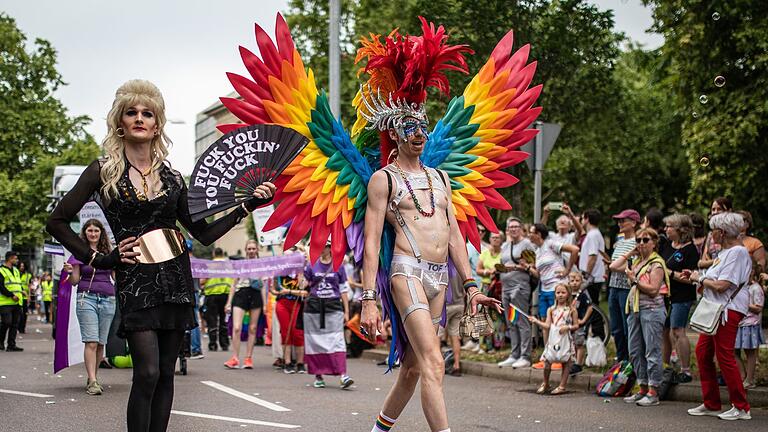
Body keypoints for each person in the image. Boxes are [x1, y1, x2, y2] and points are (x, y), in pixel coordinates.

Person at [46, 79, 275, 432]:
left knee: (166, 374)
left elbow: (203, 233)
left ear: (157, 125)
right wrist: (100, 260)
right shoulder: (103, 171)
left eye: (147, 113)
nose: (139, 118)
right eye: (131, 113)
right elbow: (57, 221)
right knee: (147, 372)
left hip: (176, 279)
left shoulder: (172, 177)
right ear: (120, 123)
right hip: (137, 282)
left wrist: (247, 205)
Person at [359, 88, 501, 432]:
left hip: (439, 278)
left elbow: (454, 234)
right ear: (394, 132)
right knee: (434, 362)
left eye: (423, 127)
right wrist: (368, 300)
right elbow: (372, 241)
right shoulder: (384, 180)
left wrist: (471, 286)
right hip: (406, 273)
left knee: (414, 367)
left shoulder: (440, 177)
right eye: (411, 128)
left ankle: (378, 430)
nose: (419, 134)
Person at [684, 212, 752, 420]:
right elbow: (713, 282)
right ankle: (711, 402)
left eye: (713, 230)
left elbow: (723, 286)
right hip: (718, 310)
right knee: (703, 353)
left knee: (724, 356)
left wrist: (700, 279)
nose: (710, 235)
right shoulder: (725, 253)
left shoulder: (737, 253)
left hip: (727, 310)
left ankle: (741, 407)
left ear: (721, 233)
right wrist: (695, 278)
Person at [611, 228, 669, 407]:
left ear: (654, 243)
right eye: (638, 240)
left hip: (651, 310)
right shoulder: (636, 261)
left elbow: (653, 289)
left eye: (645, 240)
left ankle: (653, 390)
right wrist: (631, 251)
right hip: (635, 310)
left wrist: (635, 280)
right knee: (635, 351)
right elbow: (614, 266)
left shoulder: (656, 264)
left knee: (652, 351)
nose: (641, 243)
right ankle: (642, 387)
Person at [64, 219, 117, 395]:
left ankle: (93, 376)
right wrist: (70, 272)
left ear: (101, 233)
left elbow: (116, 277)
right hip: (86, 298)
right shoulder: (79, 252)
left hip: (108, 299)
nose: (93, 234)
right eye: (89, 231)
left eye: (96, 230)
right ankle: (92, 381)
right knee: (91, 341)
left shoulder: (109, 252)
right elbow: (75, 282)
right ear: (84, 233)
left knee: (101, 342)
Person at [303, 242, 354, 389]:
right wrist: (301, 271)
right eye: (322, 245)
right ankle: (318, 375)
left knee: (337, 340)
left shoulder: (339, 266)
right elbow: (303, 285)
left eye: (326, 245)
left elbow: (344, 289)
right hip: (314, 307)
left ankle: (343, 375)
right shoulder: (311, 265)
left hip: (333, 306)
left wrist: (346, 311)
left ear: (331, 248)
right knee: (315, 342)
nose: (323, 248)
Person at [660, 214, 699, 383]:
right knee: (664, 331)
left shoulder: (690, 250)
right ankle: (665, 366)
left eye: (669, 226)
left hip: (682, 295)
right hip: (666, 294)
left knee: (678, 330)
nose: (666, 229)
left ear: (680, 229)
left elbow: (689, 277)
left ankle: (686, 370)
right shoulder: (668, 245)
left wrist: (668, 273)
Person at [496, 217, 536, 368]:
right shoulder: (506, 245)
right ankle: (515, 354)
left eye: (516, 226)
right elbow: (503, 263)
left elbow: (532, 266)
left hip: (520, 287)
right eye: (510, 227)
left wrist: (516, 267)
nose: (513, 229)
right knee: (510, 322)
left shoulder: (526, 244)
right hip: (506, 286)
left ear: (520, 228)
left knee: (521, 321)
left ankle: (525, 356)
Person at [529, 283, 578, 395]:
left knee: (566, 362)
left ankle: (562, 386)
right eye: (558, 292)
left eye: (563, 292)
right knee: (547, 361)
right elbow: (547, 326)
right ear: (555, 295)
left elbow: (576, 325)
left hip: (565, 338)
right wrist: (536, 321)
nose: (560, 295)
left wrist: (568, 327)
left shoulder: (571, 310)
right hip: (553, 338)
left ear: (568, 294)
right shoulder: (551, 309)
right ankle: (545, 383)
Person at [224, 240, 266, 369]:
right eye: (249, 249)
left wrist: (265, 304)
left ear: (257, 250)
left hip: (255, 294)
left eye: (254, 249)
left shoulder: (262, 265)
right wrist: (229, 303)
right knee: (237, 327)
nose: (251, 251)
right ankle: (235, 358)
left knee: (253, 328)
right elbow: (233, 284)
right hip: (241, 294)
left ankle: (248, 358)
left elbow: (263, 286)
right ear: (246, 250)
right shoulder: (240, 264)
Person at [606, 209, 640, 363]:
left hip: (626, 288)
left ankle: (632, 360)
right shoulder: (619, 242)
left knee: (628, 327)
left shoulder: (637, 242)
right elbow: (618, 264)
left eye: (623, 220)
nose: (620, 223)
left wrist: (614, 266)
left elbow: (633, 265)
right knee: (616, 327)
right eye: (619, 221)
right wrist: (615, 266)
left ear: (633, 223)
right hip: (614, 286)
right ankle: (621, 359)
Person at [271, 247, 308, 374]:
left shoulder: (300, 272)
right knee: (286, 332)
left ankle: (300, 363)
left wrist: (300, 275)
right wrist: (278, 289)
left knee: (297, 333)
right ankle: (287, 362)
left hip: (297, 304)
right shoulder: (280, 272)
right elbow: (273, 290)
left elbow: (305, 291)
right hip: (282, 304)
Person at [735, 260, 764, 390]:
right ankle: (742, 376)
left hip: (750, 324)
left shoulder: (756, 288)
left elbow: (758, 308)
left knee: (750, 352)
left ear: (751, 271)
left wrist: (744, 304)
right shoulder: (742, 287)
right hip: (739, 323)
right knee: (733, 350)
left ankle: (750, 379)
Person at [578, 209, 606, 341]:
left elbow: (593, 256)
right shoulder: (593, 234)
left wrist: (586, 275)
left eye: (583, 218)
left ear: (587, 218)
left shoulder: (593, 235)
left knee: (593, 308)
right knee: (592, 306)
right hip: (593, 277)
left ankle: (598, 336)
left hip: (592, 278)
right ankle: (596, 336)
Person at [475, 229, 504, 352]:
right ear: (490, 239)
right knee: (484, 315)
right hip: (486, 287)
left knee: (498, 315)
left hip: (499, 287)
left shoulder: (504, 253)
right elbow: (478, 270)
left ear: (502, 240)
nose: (495, 239)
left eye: (498, 237)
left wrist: (498, 271)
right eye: (493, 237)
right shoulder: (485, 253)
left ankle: (498, 344)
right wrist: (488, 271)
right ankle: (484, 345)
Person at [201, 248, 233, 352]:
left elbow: (203, 280)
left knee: (212, 321)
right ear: (223, 254)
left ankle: (213, 344)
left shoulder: (209, 265)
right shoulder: (229, 265)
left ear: (214, 253)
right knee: (223, 321)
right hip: (225, 295)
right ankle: (224, 344)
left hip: (212, 295)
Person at [568, 271, 592, 375]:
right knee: (572, 342)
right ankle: (572, 361)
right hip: (570, 324)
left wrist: (583, 320)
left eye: (577, 281)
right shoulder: (567, 295)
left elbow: (590, 308)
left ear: (581, 282)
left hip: (579, 324)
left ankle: (578, 364)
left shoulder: (582, 295)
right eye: (572, 281)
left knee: (579, 343)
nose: (574, 283)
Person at [698, 196, 733, 269]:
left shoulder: (733, 233)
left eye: (719, 209)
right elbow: (701, 263)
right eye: (713, 209)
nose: (715, 212)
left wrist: (711, 262)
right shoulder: (711, 234)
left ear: (729, 211)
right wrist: (718, 261)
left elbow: (730, 260)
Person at [0, 251, 24, 352]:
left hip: (17, 302)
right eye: (15, 258)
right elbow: (1, 286)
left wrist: (22, 292)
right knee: (6, 322)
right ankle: (0, 342)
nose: (17, 260)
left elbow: (17, 284)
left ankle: (11, 345)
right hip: (5, 302)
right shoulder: (1, 270)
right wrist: (11, 295)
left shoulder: (16, 270)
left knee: (15, 324)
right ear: (10, 259)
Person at [17, 261, 31, 334]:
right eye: (20, 266)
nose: (22, 267)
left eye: (23, 266)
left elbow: (29, 286)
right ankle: (18, 327)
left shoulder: (28, 275)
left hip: (25, 297)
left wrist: (29, 296)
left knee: (25, 314)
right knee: (19, 314)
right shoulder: (15, 274)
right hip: (18, 296)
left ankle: (22, 328)